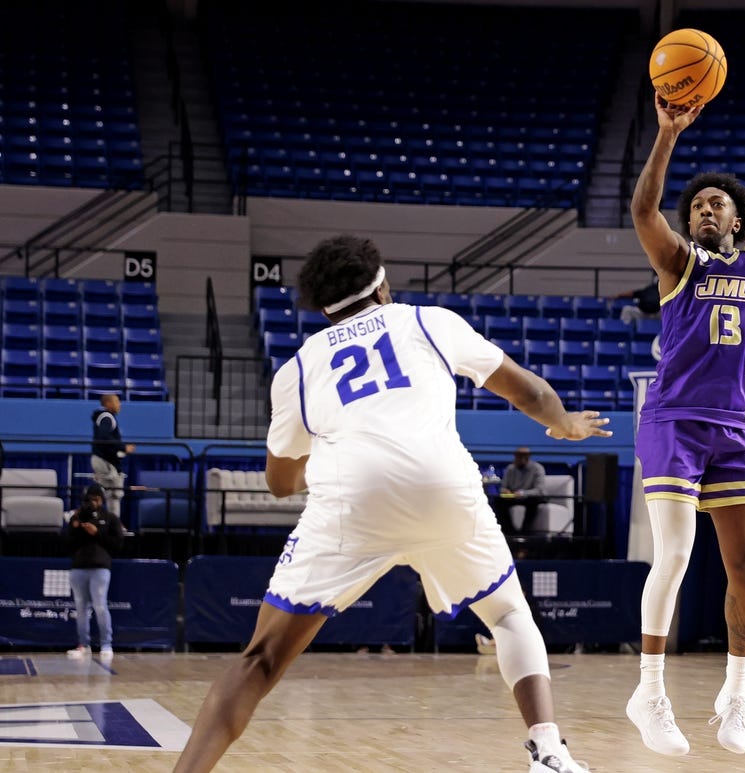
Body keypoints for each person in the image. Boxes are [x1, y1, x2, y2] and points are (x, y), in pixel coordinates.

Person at [172, 235, 612, 773]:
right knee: (508, 614)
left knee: (260, 659)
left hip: (351, 504)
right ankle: (548, 751)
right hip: (443, 486)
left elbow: (281, 483)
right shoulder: (428, 321)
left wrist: (349, 457)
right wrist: (561, 422)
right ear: (382, 285)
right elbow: (530, 394)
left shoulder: (298, 369)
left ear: (323, 306)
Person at [625, 76, 745, 757]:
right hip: (672, 418)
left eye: (715, 203)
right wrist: (667, 133)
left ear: (734, 219)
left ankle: (736, 692)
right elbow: (643, 207)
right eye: (695, 203)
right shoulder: (677, 263)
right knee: (673, 552)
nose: (702, 209)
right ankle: (650, 690)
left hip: (732, 426)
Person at [65, 483, 124, 663]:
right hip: (78, 567)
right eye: (90, 499)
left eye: (97, 499)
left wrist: (97, 533)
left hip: (100, 567)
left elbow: (117, 545)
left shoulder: (111, 518)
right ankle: (83, 645)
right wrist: (76, 527)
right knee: (81, 608)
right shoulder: (77, 516)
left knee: (100, 606)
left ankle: (106, 644)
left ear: (102, 500)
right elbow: (68, 544)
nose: (93, 503)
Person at [91, 393, 135, 519]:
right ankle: (113, 526)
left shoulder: (104, 418)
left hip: (102, 459)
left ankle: (108, 524)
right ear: (108, 404)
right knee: (114, 494)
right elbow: (104, 437)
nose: (119, 404)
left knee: (106, 494)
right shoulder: (107, 418)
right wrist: (123, 447)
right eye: (117, 401)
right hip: (105, 461)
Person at [490, 447, 547, 535]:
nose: (518, 458)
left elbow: (539, 490)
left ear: (527, 457)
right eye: (517, 456)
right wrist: (505, 491)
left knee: (533, 502)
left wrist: (523, 493)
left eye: (521, 456)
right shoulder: (510, 468)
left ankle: (525, 533)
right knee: (498, 501)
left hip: (530, 497)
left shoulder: (537, 468)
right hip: (513, 496)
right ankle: (509, 532)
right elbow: (503, 487)